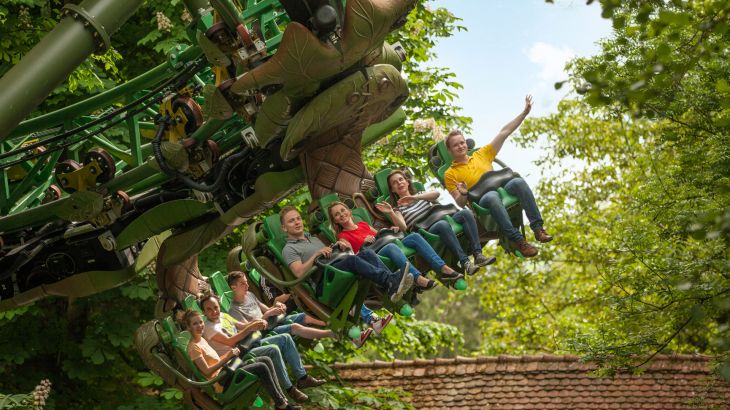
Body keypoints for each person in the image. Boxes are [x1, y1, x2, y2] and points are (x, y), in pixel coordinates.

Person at [444, 95, 553, 257]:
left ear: (466, 143)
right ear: (450, 151)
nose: (460, 146)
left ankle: (538, 229)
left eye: (462, 142)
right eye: (455, 145)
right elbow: (460, 203)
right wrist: (464, 193)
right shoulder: (450, 174)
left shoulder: (482, 154)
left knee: (518, 182)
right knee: (493, 197)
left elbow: (504, 132)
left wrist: (524, 113)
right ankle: (519, 241)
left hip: (501, 186)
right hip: (481, 198)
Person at [200, 294, 323, 403]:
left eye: (215, 307)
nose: (214, 311)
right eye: (209, 309)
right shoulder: (209, 327)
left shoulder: (223, 316)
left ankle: (302, 378)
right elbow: (231, 341)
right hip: (237, 356)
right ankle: (290, 389)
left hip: (247, 344)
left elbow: (243, 326)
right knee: (273, 349)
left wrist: (261, 319)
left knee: (285, 338)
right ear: (204, 312)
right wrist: (251, 328)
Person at [280, 205, 413, 304]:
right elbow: (298, 273)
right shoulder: (288, 249)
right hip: (324, 281)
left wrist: (337, 247)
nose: (297, 222)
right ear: (284, 228)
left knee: (367, 253)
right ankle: (390, 281)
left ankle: (391, 283)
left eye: (298, 218)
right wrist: (316, 255)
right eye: (291, 221)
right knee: (352, 260)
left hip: (335, 266)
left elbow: (326, 256)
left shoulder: (313, 239)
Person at [180, 309, 301, 409]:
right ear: (189, 327)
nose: (200, 326)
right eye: (195, 324)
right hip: (221, 382)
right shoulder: (194, 347)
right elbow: (207, 371)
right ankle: (282, 405)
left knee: (265, 360)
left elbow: (215, 361)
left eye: (201, 322)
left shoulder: (201, 340)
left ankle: (282, 401)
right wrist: (227, 357)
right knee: (261, 366)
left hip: (227, 370)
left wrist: (229, 355)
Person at [386, 169, 497, 275]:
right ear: (392, 189)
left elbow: (436, 194)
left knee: (465, 213)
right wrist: (391, 212)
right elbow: (404, 227)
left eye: (401, 179)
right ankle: (465, 263)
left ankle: (478, 255)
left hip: (440, 218)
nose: (399, 183)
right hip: (427, 231)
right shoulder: (397, 209)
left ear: (407, 182)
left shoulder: (420, 194)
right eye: (394, 183)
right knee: (442, 224)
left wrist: (414, 197)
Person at [328, 201, 464, 282]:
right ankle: (418, 278)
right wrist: (363, 242)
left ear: (349, 211)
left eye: (342, 210)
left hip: (386, 244)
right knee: (392, 247)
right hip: (376, 255)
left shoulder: (363, 224)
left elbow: (379, 236)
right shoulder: (343, 236)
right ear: (335, 220)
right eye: (337, 215)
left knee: (414, 237)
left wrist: (390, 230)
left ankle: (442, 267)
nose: (341, 214)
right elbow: (354, 257)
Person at [226, 271, 337, 340]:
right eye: (242, 283)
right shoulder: (234, 310)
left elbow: (267, 309)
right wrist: (269, 313)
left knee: (305, 316)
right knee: (295, 327)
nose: (247, 286)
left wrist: (277, 307)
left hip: (271, 321)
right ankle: (331, 334)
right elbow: (247, 329)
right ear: (233, 287)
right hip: (261, 332)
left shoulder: (249, 294)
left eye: (246, 282)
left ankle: (335, 325)